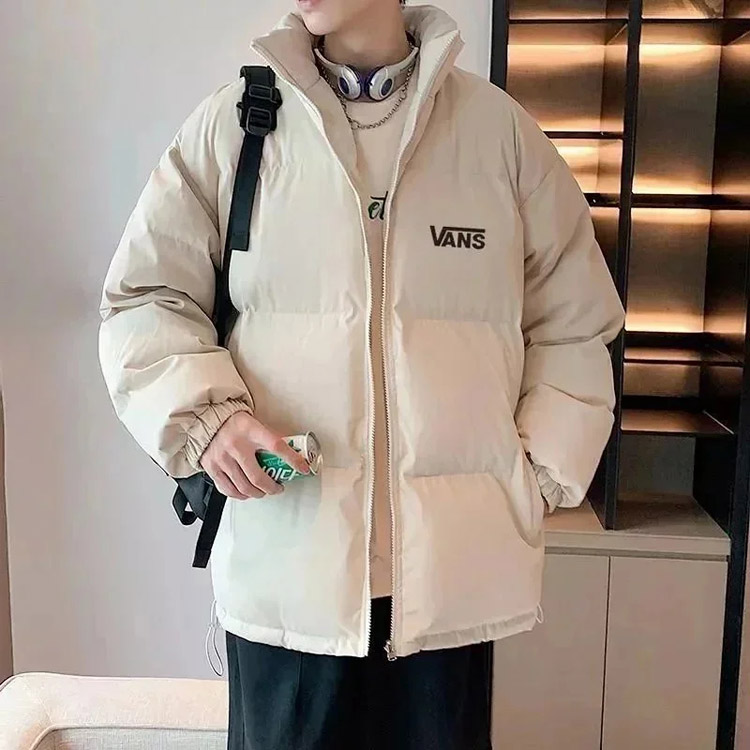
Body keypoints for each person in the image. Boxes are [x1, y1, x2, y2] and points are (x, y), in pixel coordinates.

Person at [98, 0, 625, 748]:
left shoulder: (498, 135)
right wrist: (205, 419)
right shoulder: (238, 127)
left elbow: (576, 323)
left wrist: (535, 474)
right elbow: (144, 298)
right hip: (288, 578)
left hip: (449, 591)